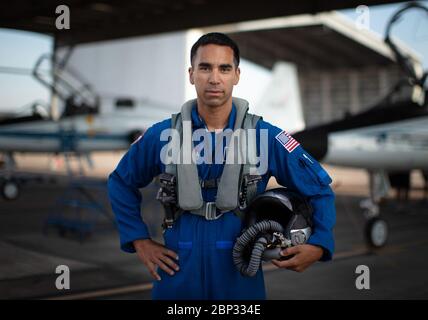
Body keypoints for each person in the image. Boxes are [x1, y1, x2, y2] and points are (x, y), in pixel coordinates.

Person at [108, 32, 335, 300]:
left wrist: (320, 244)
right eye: (205, 68)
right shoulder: (162, 135)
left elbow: (319, 188)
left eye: (224, 68)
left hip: (238, 276)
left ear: (236, 75)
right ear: (191, 74)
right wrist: (140, 240)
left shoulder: (265, 136)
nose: (214, 78)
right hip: (177, 275)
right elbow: (120, 182)